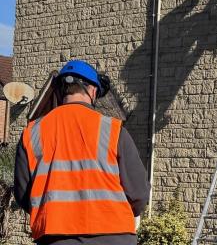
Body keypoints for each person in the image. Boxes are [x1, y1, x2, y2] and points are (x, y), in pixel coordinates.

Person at [14, 60, 150, 245]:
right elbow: (139, 193)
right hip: (114, 235)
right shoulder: (113, 130)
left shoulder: (32, 133)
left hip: (55, 237)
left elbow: (23, 194)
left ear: (61, 91)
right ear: (93, 91)